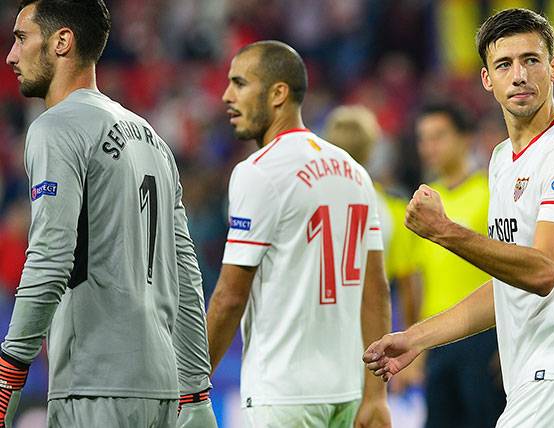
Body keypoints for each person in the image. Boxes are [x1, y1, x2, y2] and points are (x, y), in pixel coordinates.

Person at [364, 8, 554, 427]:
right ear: (487, 79)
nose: (518, 75)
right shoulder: (503, 161)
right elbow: (506, 291)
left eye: (531, 60)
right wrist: (416, 338)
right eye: (504, 64)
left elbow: (543, 271)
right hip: (539, 382)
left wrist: (445, 232)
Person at [0, 1, 216, 427]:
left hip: (95, 385)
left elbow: (50, 256)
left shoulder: (55, 127)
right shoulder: (153, 139)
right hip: (162, 389)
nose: (11, 54)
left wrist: (9, 371)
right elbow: (186, 274)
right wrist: (195, 390)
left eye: (22, 37)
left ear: (62, 41)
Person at [206, 41, 392, 428]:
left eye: (239, 84)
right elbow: (375, 289)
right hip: (347, 392)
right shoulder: (354, 172)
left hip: (283, 394)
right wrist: (376, 394)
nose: (227, 96)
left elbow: (229, 296)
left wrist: (186, 381)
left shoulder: (258, 171)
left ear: (278, 93)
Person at [398, 102, 505, 428]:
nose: (429, 147)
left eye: (439, 136)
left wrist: (508, 343)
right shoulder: (420, 204)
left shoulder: (490, 192)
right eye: (423, 138)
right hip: (438, 340)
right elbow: (415, 282)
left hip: (483, 338)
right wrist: (415, 348)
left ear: (465, 138)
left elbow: (511, 270)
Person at [323, 105, 420, 330]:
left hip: (319, 327)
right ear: (371, 151)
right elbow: (408, 286)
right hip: (369, 329)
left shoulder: (308, 201)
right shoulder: (393, 209)